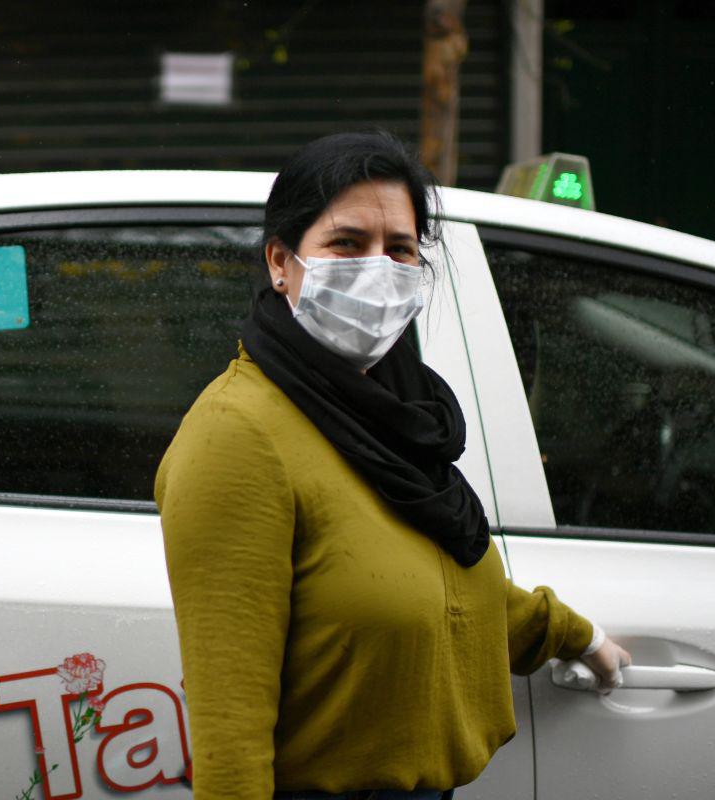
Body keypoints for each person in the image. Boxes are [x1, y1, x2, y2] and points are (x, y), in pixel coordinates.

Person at [154, 131, 631, 800]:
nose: (378, 268)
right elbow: (230, 719)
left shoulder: (399, 410)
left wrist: (576, 638)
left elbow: (439, 582)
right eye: (347, 244)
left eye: (400, 248)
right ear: (281, 264)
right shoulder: (239, 435)